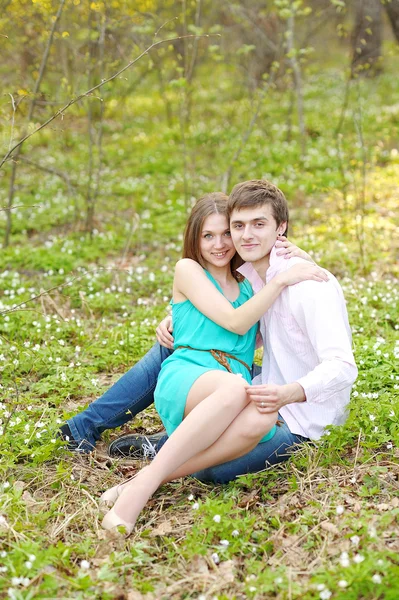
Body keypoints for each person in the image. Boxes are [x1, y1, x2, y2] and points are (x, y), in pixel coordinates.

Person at [99, 190, 329, 533]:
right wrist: (280, 280)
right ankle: (137, 496)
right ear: (195, 237)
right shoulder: (188, 269)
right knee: (237, 386)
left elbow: (273, 326)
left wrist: (301, 260)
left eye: (226, 234)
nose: (219, 244)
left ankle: (142, 478)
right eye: (208, 235)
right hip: (191, 376)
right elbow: (236, 323)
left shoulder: (248, 283)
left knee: (262, 419)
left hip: (231, 383)